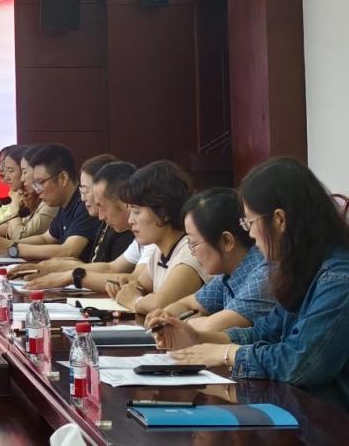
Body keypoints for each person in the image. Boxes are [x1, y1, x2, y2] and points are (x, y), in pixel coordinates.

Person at [149, 158, 349, 410]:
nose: (251, 234)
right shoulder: (304, 268)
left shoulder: (338, 278)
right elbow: (265, 332)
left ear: (279, 219)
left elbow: (299, 363)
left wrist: (228, 353)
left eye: (250, 223)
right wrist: (197, 338)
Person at [147, 188, 274, 332]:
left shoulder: (264, 276)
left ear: (227, 241)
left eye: (194, 243)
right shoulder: (227, 275)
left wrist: (171, 322)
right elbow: (188, 304)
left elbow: (211, 327)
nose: (192, 252)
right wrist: (165, 314)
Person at [18, 161, 142, 292]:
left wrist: (71, 274)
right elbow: (111, 268)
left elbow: (135, 281)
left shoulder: (140, 236)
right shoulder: (135, 236)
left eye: (137, 210)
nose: (101, 217)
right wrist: (65, 270)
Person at [112, 160, 208, 314]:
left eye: (136, 212)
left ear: (163, 212)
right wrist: (127, 287)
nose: (130, 220)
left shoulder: (190, 252)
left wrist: (133, 300)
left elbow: (159, 305)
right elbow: (139, 285)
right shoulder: (159, 251)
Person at [0, 144, 101, 262]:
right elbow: (45, 239)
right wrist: (8, 244)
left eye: (40, 182)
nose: (37, 190)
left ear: (63, 178)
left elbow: (69, 251)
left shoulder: (85, 204)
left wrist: (13, 249)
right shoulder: (64, 204)